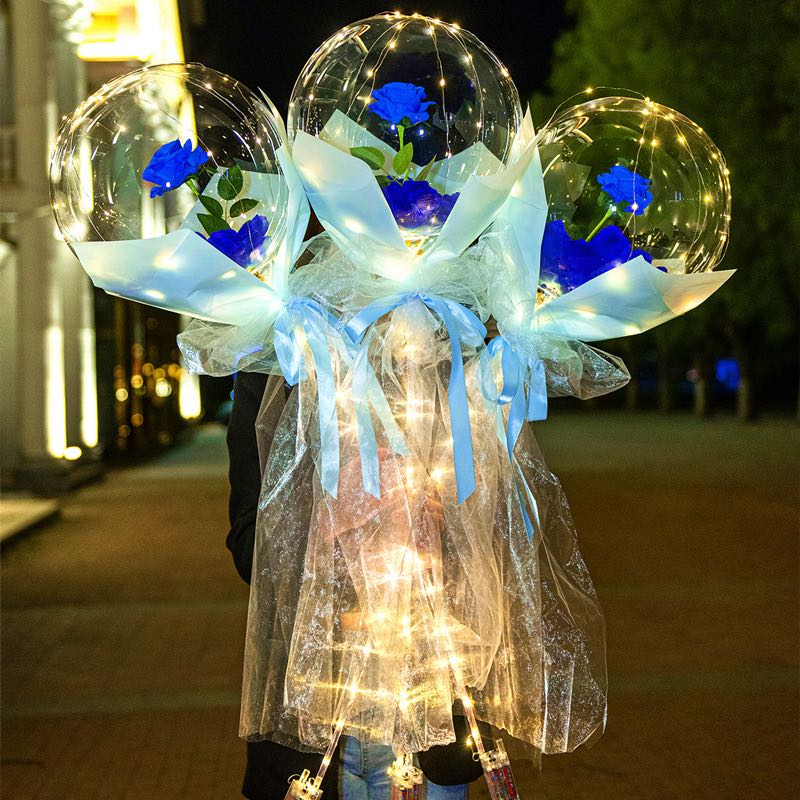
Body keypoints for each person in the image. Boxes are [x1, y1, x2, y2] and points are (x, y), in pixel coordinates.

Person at [226, 370, 480, 799]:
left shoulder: (429, 358)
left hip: (425, 715)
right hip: (313, 724)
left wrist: (442, 524)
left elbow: (488, 543)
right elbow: (250, 551)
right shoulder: (274, 370)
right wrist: (340, 515)